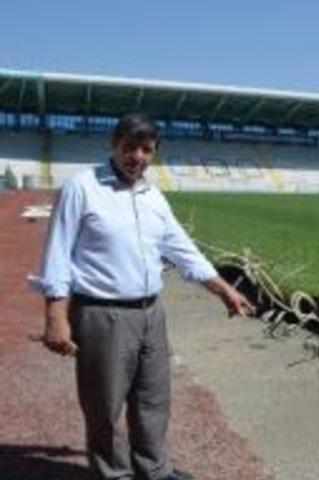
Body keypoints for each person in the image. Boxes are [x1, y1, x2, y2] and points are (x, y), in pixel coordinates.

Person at [37, 113, 254, 480]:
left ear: (154, 152)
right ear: (114, 145)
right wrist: (55, 318)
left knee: (154, 399)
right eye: (129, 147)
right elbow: (57, 254)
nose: (137, 156)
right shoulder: (82, 187)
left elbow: (182, 249)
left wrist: (224, 290)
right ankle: (115, 474)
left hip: (151, 313)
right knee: (104, 405)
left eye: (146, 150)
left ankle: (153, 470)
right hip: (102, 314)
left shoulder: (153, 196)